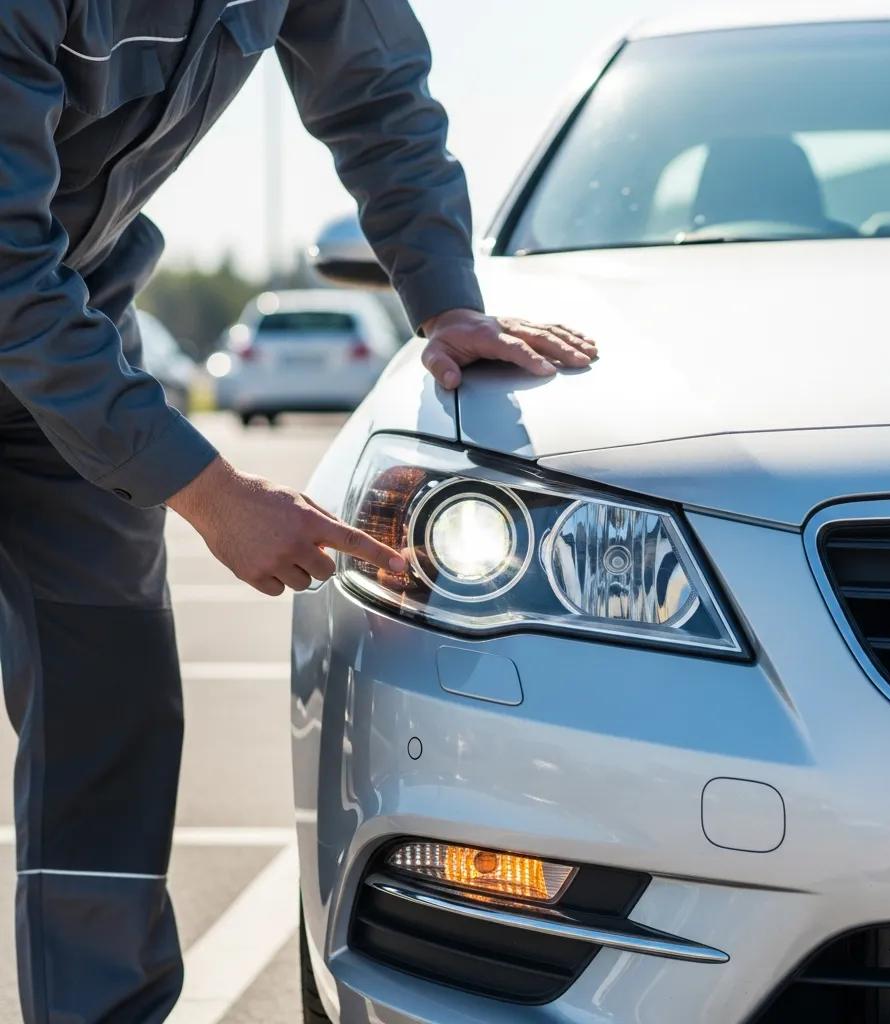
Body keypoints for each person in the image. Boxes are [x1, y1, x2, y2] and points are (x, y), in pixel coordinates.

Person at [0, 1, 596, 1020]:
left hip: (71, 338)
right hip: (32, 306)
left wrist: (446, 300)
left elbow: (378, 99)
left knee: (109, 711)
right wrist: (209, 492)